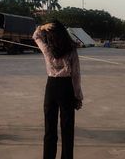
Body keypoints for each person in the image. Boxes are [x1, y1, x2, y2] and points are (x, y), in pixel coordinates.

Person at [32, 19, 83, 159]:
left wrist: (42, 27)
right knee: (67, 129)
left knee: (49, 128)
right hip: (66, 88)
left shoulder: (47, 48)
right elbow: (76, 74)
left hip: (51, 87)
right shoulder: (72, 50)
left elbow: (35, 36)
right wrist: (78, 96)